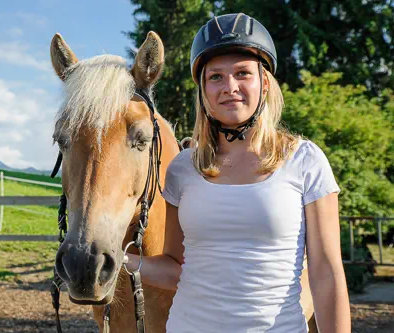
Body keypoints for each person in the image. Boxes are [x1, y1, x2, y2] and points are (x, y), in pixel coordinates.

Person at [126, 13, 351, 332]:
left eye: (243, 73)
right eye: (215, 77)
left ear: (264, 82)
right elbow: (175, 269)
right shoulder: (183, 168)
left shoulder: (305, 161)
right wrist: (119, 261)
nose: (229, 86)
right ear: (203, 90)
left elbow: (326, 273)